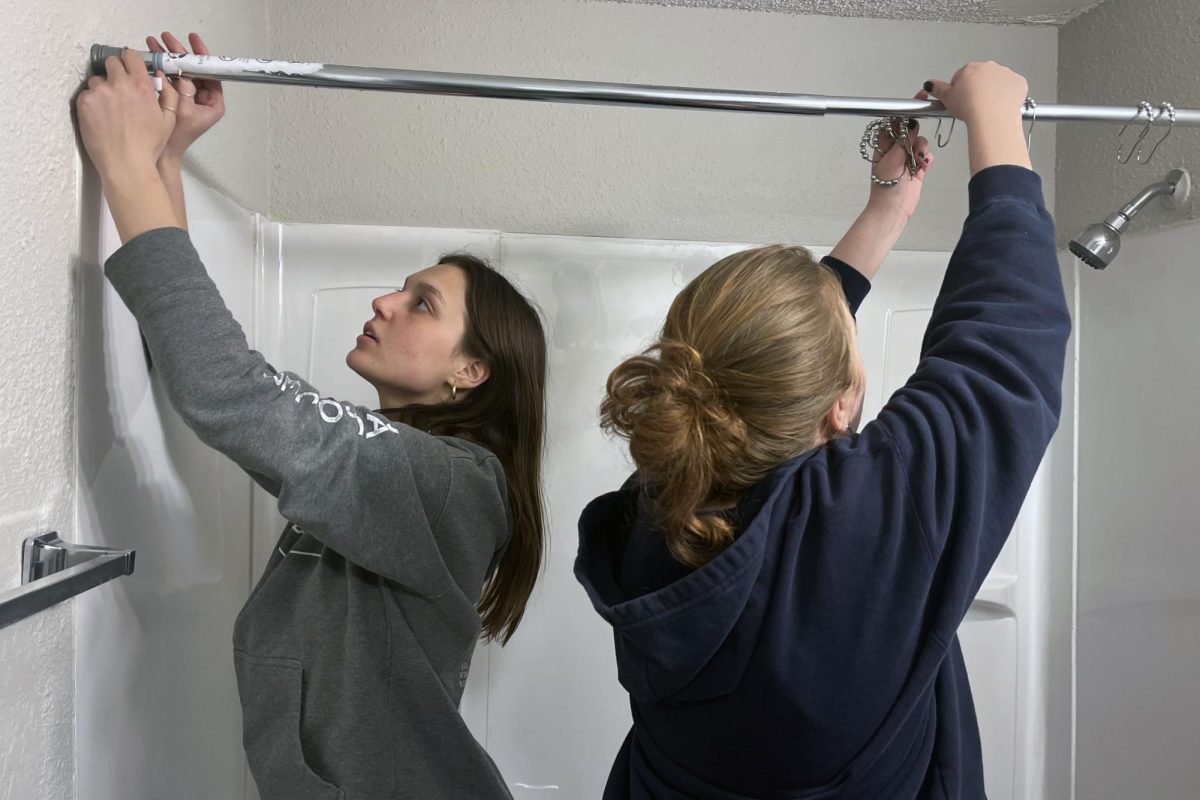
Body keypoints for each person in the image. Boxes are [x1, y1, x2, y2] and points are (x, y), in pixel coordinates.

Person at [576, 61, 1070, 798]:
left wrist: (886, 214)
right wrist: (997, 117)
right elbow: (1003, 348)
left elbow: (759, 359)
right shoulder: (860, 522)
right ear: (840, 406)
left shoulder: (659, 515)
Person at [76, 33, 547, 800]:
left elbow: (228, 390)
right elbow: (212, 372)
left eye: (421, 303)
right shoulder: (393, 468)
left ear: (471, 371)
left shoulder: (452, 485)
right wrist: (165, 161)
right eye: (402, 287)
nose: (384, 302)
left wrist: (123, 164)